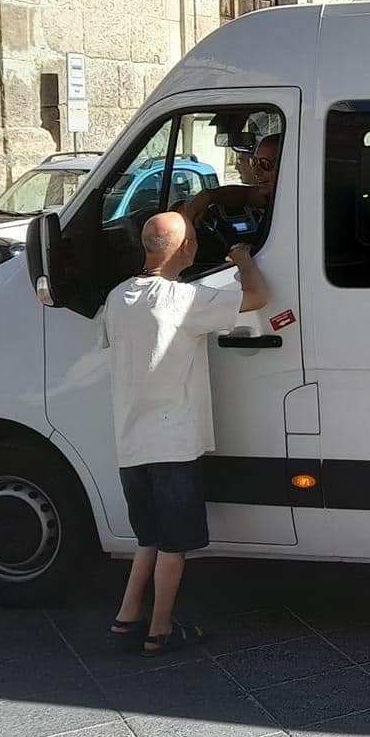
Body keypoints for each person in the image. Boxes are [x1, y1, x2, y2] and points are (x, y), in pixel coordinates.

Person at [103, 210, 267, 656]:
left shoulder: (118, 298)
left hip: (131, 441)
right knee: (175, 544)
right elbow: (257, 295)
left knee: (148, 537)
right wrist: (241, 256)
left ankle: (126, 617)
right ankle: (161, 629)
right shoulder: (185, 299)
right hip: (173, 440)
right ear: (186, 249)